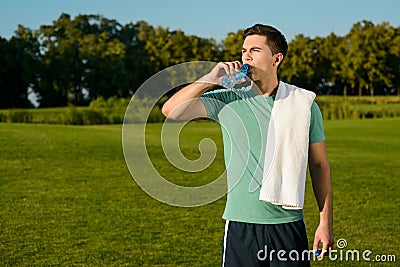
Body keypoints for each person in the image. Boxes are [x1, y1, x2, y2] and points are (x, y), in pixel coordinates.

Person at [162, 24, 333, 266]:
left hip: (288, 225)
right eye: (243, 51)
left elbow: (319, 165)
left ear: (277, 59)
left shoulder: (303, 104)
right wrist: (211, 78)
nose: (246, 56)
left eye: (255, 50)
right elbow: (170, 111)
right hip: (241, 226)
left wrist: (325, 223)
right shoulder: (228, 98)